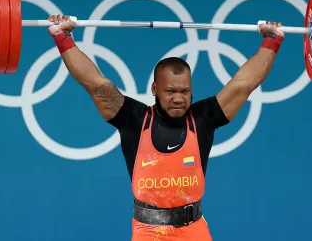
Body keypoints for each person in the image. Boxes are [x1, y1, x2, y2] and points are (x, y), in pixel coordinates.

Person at [47, 14, 284, 240]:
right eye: (170, 91)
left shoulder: (203, 118)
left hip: (194, 230)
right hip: (148, 232)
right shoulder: (134, 120)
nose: (178, 98)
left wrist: (272, 40)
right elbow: (93, 82)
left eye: (184, 91)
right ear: (154, 90)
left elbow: (245, 83)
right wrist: (62, 37)